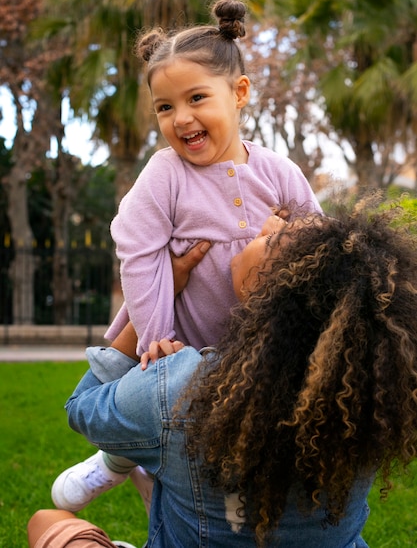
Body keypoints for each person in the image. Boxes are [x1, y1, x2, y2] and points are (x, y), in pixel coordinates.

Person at [51, 0, 321, 512]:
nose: (182, 118)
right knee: (173, 449)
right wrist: (156, 337)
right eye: (165, 107)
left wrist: (287, 237)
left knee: (241, 450)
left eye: (197, 98)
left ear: (239, 93)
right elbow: (138, 250)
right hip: (186, 345)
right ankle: (116, 460)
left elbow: (321, 242)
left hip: (264, 344)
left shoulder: (279, 171)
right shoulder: (165, 174)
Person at [29, 197, 417, 547]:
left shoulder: (183, 387)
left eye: (275, 240)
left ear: (270, 290)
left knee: (46, 520)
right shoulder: (370, 405)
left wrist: (159, 293)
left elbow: (82, 407)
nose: (269, 225)